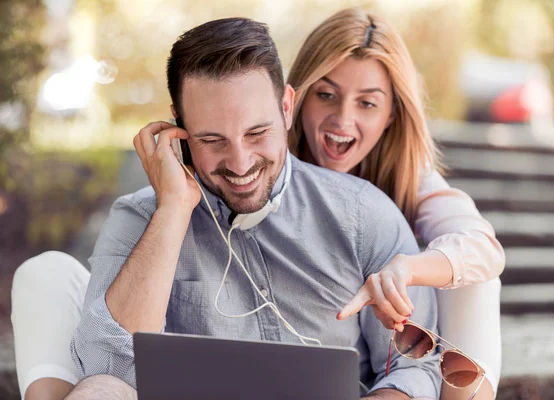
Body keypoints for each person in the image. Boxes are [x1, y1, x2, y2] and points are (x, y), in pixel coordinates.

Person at [13, 17, 442, 400]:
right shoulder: (141, 218)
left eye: (257, 133)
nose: (239, 164)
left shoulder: (363, 213)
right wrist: (174, 210)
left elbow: (415, 366)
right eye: (211, 140)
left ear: (287, 108)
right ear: (177, 129)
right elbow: (106, 366)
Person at [285, 8, 505, 400]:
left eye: (367, 103)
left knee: (476, 281)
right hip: (310, 346)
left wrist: (405, 269)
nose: (342, 119)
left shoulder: (406, 173)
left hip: (396, 355)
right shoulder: (269, 167)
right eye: (326, 95)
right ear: (299, 97)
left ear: (390, 115)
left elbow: (482, 247)